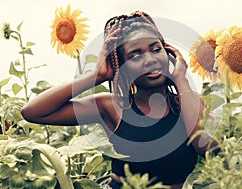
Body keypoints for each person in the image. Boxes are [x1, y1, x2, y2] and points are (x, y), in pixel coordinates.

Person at [21, 11, 219, 189]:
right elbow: (33, 111)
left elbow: (210, 149)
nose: (149, 59)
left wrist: (181, 80)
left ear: (169, 54)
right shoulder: (113, 107)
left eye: (156, 49)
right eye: (135, 56)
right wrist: (96, 76)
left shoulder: (189, 103)